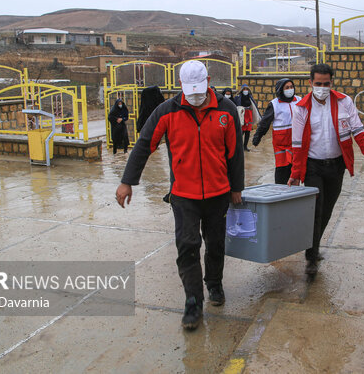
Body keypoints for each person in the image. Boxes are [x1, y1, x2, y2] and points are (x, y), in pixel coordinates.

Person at [115, 60, 244, 330]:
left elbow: (235, 153)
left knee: (216, 244)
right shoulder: (166, 111)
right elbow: (143, 145)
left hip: (218, 192)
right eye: (190, 91)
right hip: (183, 195)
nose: (195, 96)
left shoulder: (226, 110)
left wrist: (236, 187)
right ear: (181, 87)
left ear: (208, 81)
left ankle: (215, 284)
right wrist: (127, 181)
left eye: (199, 89)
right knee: (187, 246)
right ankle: (193, 303)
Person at [288, 64, 364, 276]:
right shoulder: (301, 108)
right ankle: (311, 257)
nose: (322, 87)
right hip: (312, 167)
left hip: (337, 166)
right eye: (317, 84)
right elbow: (297, 144)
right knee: (315, 211)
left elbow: (358, 130)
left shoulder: (344, 102)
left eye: (326, 84)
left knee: (327, 210)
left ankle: (314, 245)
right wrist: (295, 173)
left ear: (332, 83)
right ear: (310, 83)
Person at [252, 78, 301, 184]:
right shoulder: (274, 104)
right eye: (287, 88)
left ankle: (294, 194)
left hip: (296, 142)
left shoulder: (299, 100)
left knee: (295, 170)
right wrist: (258, 136)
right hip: (281, 144)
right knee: (282, 169)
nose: (290, 89)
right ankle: (280, 192)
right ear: (280, 89)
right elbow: (265, 122)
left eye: (291, 87)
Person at [234, 84, 254, 151]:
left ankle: (245, 146)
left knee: (248, 132)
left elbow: (254, 106)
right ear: (242, 90)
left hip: (249, 115)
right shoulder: (238, 97)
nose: (246, 91)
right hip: (242, 114)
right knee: (241, 131)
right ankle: (238, 146)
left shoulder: (250, 97)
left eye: (247, 89)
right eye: (244, 89)